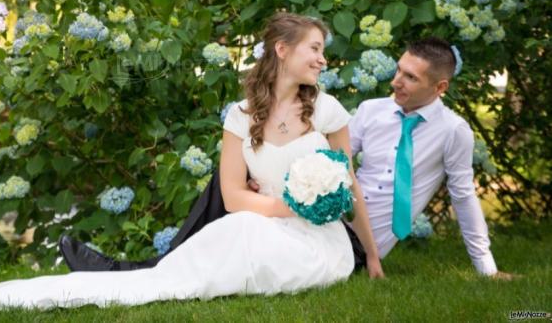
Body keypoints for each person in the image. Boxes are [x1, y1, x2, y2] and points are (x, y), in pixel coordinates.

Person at [0, 13, 383, 312]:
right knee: (226, 236)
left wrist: (374, 258)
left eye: (323, 50)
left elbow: (350, 185)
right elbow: (232, 196)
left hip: (318, 241)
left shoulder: (326, 111)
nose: (323, 59)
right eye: (315, 48)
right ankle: (149, 282)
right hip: (263, 220)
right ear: (282, 51)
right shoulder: (240, 116)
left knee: (240, 238)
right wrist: (286, 207)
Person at [62, 37, 513, 279]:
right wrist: (272, 181)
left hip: (352, 236)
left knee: (230, 194)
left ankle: (145, 270)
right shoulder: (372, 113)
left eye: (410, 78)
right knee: (230, 181)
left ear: (439, 87)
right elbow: (328, 162)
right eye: (397, 70)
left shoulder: (455, 132)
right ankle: (145, 270)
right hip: (312, 213)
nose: (396, 81)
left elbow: (464, 198)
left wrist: (486, 269)